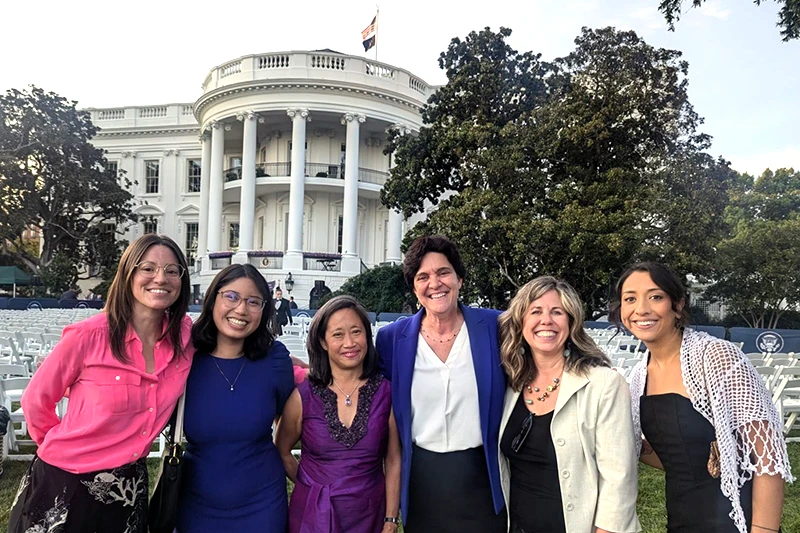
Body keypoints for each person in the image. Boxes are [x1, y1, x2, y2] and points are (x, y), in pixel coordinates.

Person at [10, 234, 193, 533]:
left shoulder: (184, 336)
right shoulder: (87, 336)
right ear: (128, 274)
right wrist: (62, 449)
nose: (161, 277)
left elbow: (229, 348)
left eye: (172, 271)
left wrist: (292, 368)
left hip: (128, 487)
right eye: (148, 268)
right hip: (66, 482)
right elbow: (36, 400)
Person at [610, 262, 793, 533]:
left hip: (736, 521)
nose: (642, 309)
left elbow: (768, 457)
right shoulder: (639, 376)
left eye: (656, 296)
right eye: (630, 299)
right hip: (683, 519)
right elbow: (672, 455)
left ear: (678, 304)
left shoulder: (717, 358)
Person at [375, 235, 507, 532]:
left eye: (443, 272)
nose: (435, 283)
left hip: (482, 476)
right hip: (422, 479)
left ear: (459, 278)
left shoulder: (495, 327)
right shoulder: (392, 339)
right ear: (414, 287)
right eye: (423, 277)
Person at [498, 276, 640, 533]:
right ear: (521, 322)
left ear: (571, 322)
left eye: (557, 312)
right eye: (536, 312)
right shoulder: (511, 384)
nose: (546, 321)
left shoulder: (603, 385)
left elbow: (620, 478)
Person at [177, 264, 295, 533]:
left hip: (262, 503)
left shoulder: (275, 360)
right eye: (231, 297)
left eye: (253, 302)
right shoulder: (185, 358)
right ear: (213, 298)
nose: (241, 310)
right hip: (196, 502)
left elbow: (288, 418)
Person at [276, 295, 401, 533]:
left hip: (369, 515)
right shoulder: (303, 396)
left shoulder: (387, 393)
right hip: (313, 516)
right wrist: (310, 486)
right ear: (322, 341)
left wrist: (391, 519)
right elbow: (282, 451)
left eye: (356, 332)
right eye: (337, 335)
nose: (350, 343)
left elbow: (394, 459)